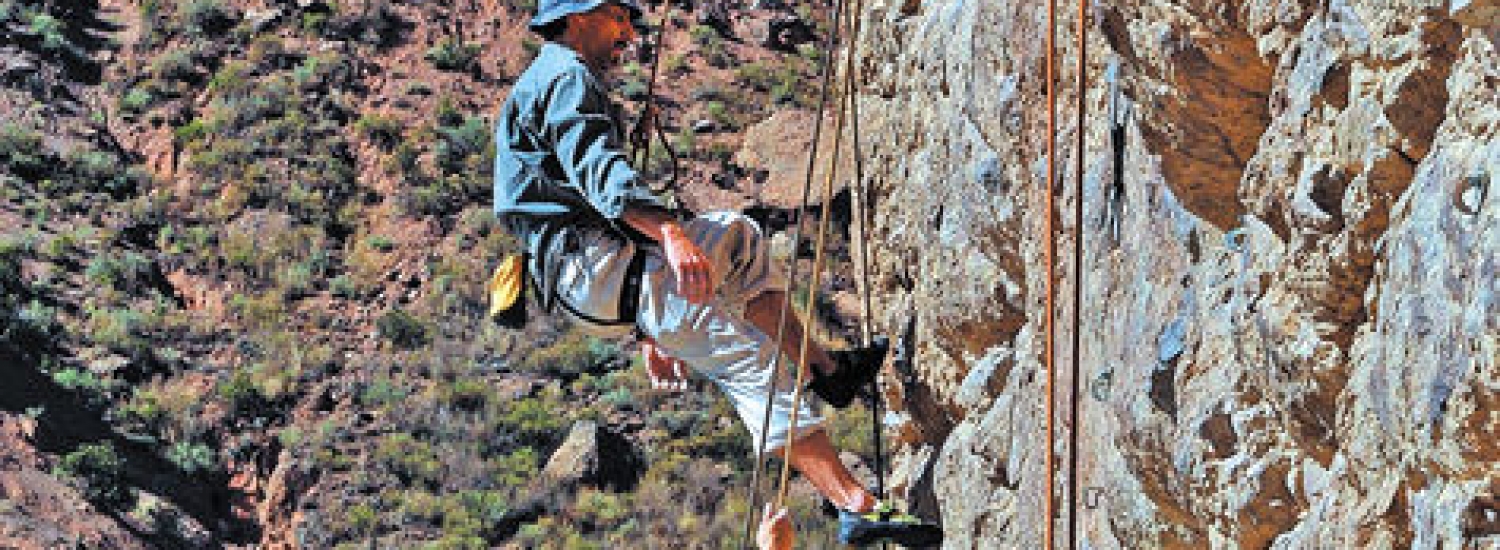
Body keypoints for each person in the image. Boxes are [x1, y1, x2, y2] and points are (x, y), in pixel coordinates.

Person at [491, 0, 941, 545]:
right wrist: (671, 237)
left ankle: (825, 368)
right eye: (619, 17)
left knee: (736, 239)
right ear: (579, 15)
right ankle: (855, 503)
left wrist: (643, 319)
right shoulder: (565, 78)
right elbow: (599, 172)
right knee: (751, 365)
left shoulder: (555, 77)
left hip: (599, 274)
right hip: (599, 269)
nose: (629, 33)